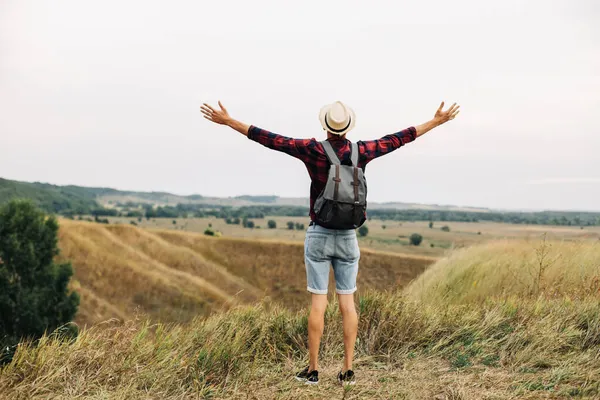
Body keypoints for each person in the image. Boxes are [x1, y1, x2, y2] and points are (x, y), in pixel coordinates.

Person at [200, 100, 460, 386]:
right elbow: (399, 139)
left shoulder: (313, 150)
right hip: (349, 237)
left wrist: (229, 121)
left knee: (318, 304)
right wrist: (436, 121)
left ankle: (312, 370)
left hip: (319, 235)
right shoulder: (363, 152)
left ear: (324, 125)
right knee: (348, 304)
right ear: (349, 126)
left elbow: (270, 139)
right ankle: (347, 370)